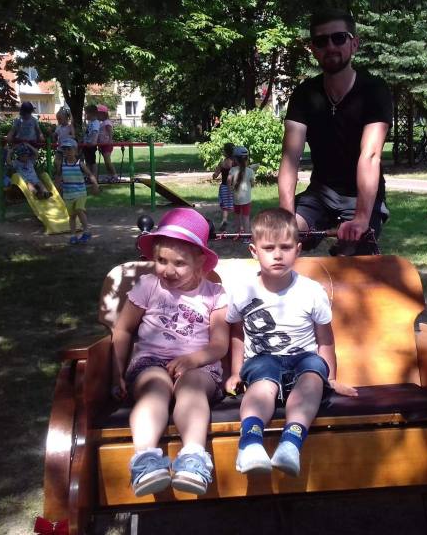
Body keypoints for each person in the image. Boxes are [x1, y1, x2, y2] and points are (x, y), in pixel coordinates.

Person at [225, 208, 357, 476]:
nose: (277, 255)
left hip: (302, 360)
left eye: (285, 247)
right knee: (263, 383)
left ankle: (291, 444)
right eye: (269, 248)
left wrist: (330, 378)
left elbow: (325, 339)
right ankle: (250, 444)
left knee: (313, 373)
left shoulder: (311, 291)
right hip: (262, 361)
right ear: (254, 251)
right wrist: (236, 372)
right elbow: (237, 333)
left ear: (297, 250)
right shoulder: (243, 291)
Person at [110, 208, 229, 497]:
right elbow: (123, 329)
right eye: (161, 260)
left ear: (200, 261)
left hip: (198, 366)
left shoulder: (214, 294)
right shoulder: (149, 286)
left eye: (179, 263)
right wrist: (117, 373)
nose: (168, 270)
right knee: (154, 388)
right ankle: (145, 461)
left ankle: (193, 459)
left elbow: (219, 345)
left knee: (192, 389)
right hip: (150, 362)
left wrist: (192, 360)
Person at [278, 8, 393, 255]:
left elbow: (370, 155)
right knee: (282, 241)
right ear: (313, 49)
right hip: (320, 194)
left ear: (354, 44)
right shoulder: (304, 94)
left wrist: (361, 218)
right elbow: (290, 158)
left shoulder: (374, 90)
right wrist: (286, 218)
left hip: (360, 197)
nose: (330, 46)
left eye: (339, 38)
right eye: (321, 41)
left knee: (352, 256)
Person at [54, 138, 99, 244]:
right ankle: (73, 235)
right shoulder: (62, 164)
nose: (67, 152)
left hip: (80, 192)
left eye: (69, 149)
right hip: (68, 194)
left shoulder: (80, 164)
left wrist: (95, 184)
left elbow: (90, 175)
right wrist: (57, 187)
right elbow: (58, 177)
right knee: (72, 216)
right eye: (64, 150)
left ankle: (86, 231)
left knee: (79, 209)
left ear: (76, 151)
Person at [228, 146, 256, 236]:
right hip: (246, 199)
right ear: (246, 159)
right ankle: (246, 236)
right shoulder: (250, 171)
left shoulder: (232, 170)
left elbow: (229, 180)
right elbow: (252, 183)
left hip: (236, 199)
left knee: (237, 216)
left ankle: (237, 233)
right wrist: (252, 184)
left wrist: (230, 188)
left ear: (235, 159)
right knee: (246, 217)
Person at [212, 142, 235, 231]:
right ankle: (237, 221)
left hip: (224, 187)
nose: (222, 152)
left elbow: (215, 175)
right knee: (234, 203)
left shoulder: (222, 163)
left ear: (226, 152)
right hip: (233, 186)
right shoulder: (235, 163)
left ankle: (224, 220)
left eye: (223, 150)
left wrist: (214, 175)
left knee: (225, 205)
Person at [96, 104, 119, 182]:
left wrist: (110, 140)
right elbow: (100, 135)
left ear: (103, 114)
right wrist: (99, 145)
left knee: (108, 161)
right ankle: (109, 175)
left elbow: (110, 132)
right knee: (106, 162)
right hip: (103, 144)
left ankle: (115, 175)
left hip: (107, 144)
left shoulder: (107, 122)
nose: (97, 116)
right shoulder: (102, 123)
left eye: (98, 114)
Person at [82, 104, 100, 178]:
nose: (85, 115)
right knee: (88, 161)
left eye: (86, 113)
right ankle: (89, 176)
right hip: (87, 144)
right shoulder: (90, 122)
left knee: (92, 161)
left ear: (91, 114)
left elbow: (95, 133)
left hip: (91, 145)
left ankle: (94, 176)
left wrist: (93, 142)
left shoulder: (95, 122)